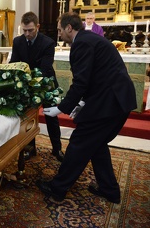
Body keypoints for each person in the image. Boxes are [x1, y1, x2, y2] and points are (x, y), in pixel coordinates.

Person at [37, 12, 136, 204]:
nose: (59, 34)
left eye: (60, 30)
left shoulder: (81, 43)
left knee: (80, 142)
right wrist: (82, 103)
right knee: (96, 144)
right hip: (114, 100)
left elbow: (81, 82)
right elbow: (94, 76)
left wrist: (61, 108)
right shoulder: (89, 39)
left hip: (109, 102)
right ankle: (110, 190)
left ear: (69, 28)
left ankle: (57, 188)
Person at [10, 11, 64, 162]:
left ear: (38, 27)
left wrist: (26, 76)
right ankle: (30, 148)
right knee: (28, 117)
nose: (27, 34)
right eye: (24, 30)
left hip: (46, 83)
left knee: (51, 116)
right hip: (27, 85)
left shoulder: (48, 43)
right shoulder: (18, 41)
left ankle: (57, 148)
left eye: (30, 30)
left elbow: (45, 68)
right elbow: (15, 64)